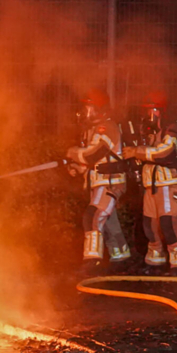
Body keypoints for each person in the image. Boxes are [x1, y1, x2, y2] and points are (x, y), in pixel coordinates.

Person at [122, 92, 177, 273]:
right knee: (150, 225)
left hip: (170, 185)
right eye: (145, 111)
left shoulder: (173, 129)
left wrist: (136, 151)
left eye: (150, 110)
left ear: (160, 111)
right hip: (151, 187)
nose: (147, 115)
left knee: (169, 224)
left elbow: (165, 153)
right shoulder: (152, 133)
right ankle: (154, 261)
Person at [64, 89, 131, 273]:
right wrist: (77, 168)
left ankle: (92, 261)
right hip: (99, 182)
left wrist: (73, 152)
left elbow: (94, 154)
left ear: (99, 110)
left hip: (109, 182)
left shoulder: (107, 128)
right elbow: (92, 162)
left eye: (89, 108)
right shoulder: (92, 130)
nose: (85, 112)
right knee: (108, 221)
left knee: (93, 216)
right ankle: (121, 258)